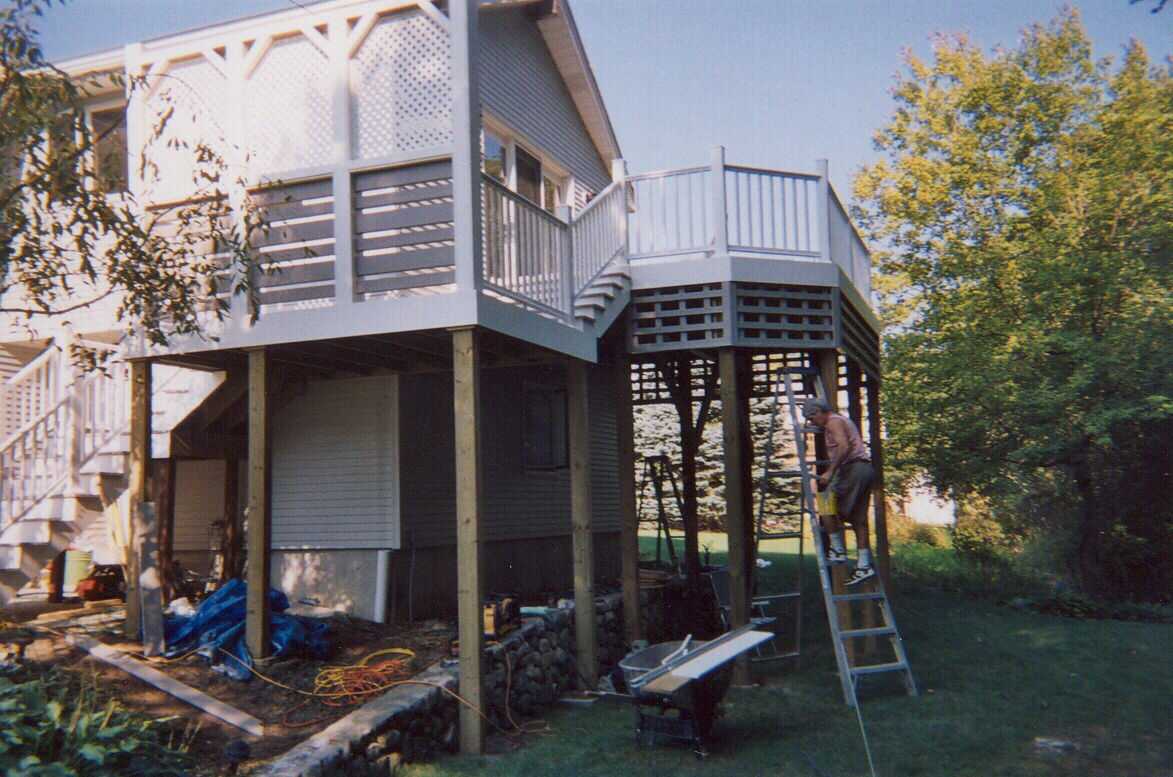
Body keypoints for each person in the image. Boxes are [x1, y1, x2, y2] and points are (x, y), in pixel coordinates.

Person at [803, 397, 876, 586]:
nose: (812, 422)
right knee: (859, 520)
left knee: (826, 504)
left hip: (852, 468)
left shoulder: (833, 422)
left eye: (812, 418)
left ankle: (837, 549)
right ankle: (863, 565)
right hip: (865, 469)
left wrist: (830, 471)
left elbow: (844, 446)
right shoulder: (841, 420)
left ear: (819, 411)